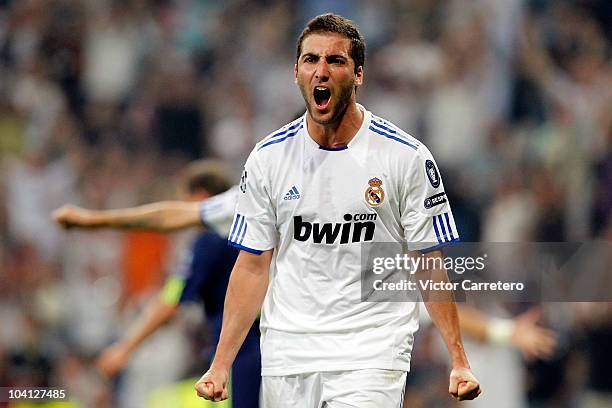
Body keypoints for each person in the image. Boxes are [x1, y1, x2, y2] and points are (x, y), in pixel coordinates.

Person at [194, 13, 480, 407]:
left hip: (371, 350)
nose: (321, 71)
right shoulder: (268, 158)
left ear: (359, 74)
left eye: (335, 60)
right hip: (288, 353)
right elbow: (252, 265)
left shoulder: (405, 157)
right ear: (296, 72)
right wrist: (220, 362)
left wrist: (458, 359)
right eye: (311, 60)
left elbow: (428, 260)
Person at [54, 160, 261, 408]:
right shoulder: (252, 227)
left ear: (201, 196)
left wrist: (124, 348)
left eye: (185, 200)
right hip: (266, 343)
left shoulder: (209, 240)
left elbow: (171, 300)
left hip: (243, 350)